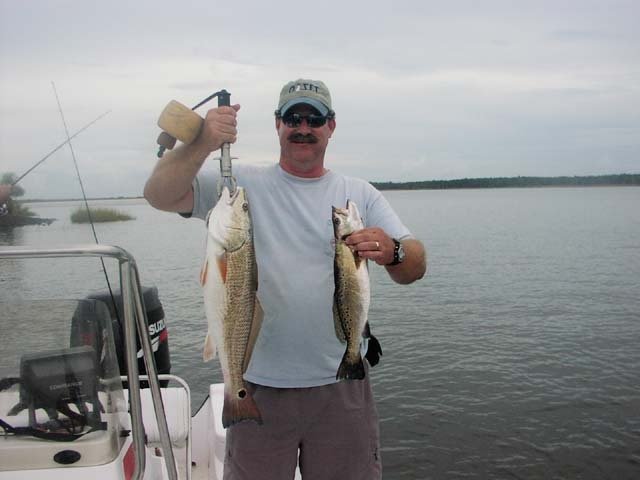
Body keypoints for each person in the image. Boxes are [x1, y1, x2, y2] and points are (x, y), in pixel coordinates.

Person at [144, 78, 427, 479]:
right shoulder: (236, 187)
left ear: (331, 126)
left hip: (341, 383)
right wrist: (202, 142)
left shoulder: (359, 194)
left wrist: (394, 251)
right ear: (277, 123)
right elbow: (159, 194)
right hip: (258, 385)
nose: (303, 127)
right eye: (293, 118)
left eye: (315, 119)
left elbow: (415, 266)